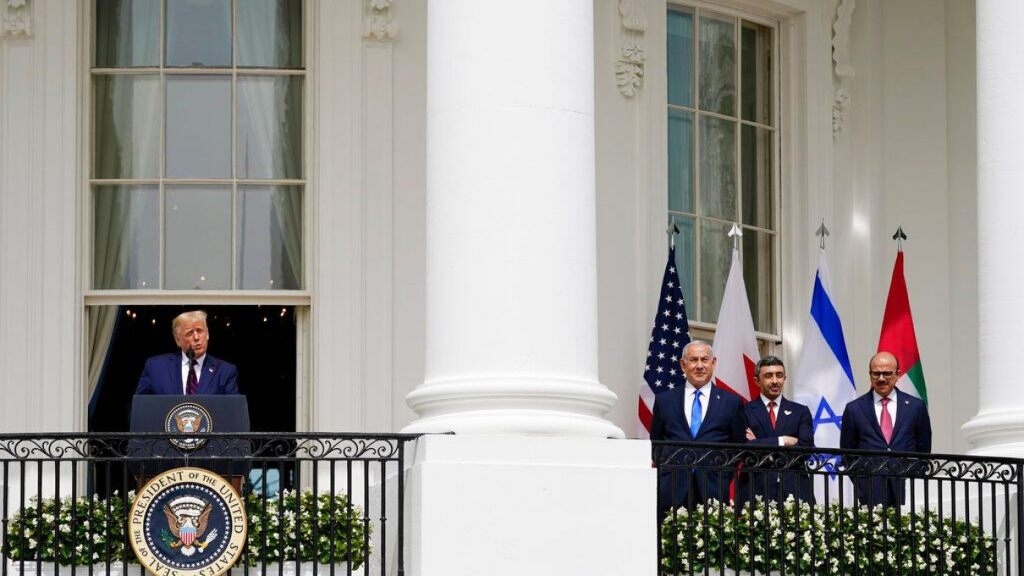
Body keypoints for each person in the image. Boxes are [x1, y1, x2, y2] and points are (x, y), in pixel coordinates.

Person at [651, 340, 747, 514]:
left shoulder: (731, 402)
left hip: (714, 489)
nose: (700, 366)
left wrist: (722, 475)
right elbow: (656, 443)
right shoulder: (664, 400)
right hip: (671, 490)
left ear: (713, 363)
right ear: (683, 365)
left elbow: (738, 447)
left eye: (705, 359)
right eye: (694, 360)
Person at [839, 351, 931, 507]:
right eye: (876, 373)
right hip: (870, 489)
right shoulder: (854, 409)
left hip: (907, 486)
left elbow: (924, 448)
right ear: (870, 375)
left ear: (898, 375)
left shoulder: (916, 406)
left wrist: (915, 475)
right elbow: (847, 452)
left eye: (887, 374)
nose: (881, 379)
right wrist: (861, 481)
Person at [739, 355, 815, 504]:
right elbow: (743, 449)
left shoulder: (800, 411)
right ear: (757, 380)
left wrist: (759, 443)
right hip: (756, 489)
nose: (775, 381)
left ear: (784, 379)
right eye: (768, 376)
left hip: (795, 488)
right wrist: (782, 441)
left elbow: (806, 449)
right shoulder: (744, 411)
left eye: (779, 376)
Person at [135, 310, 239, 395]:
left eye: (200, 331)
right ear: (178, 340)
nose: (196, 337)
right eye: (189, 333)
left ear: (207, 334)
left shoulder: (225, 371)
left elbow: (233, 411)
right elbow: (139, 408)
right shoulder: (155, 367)